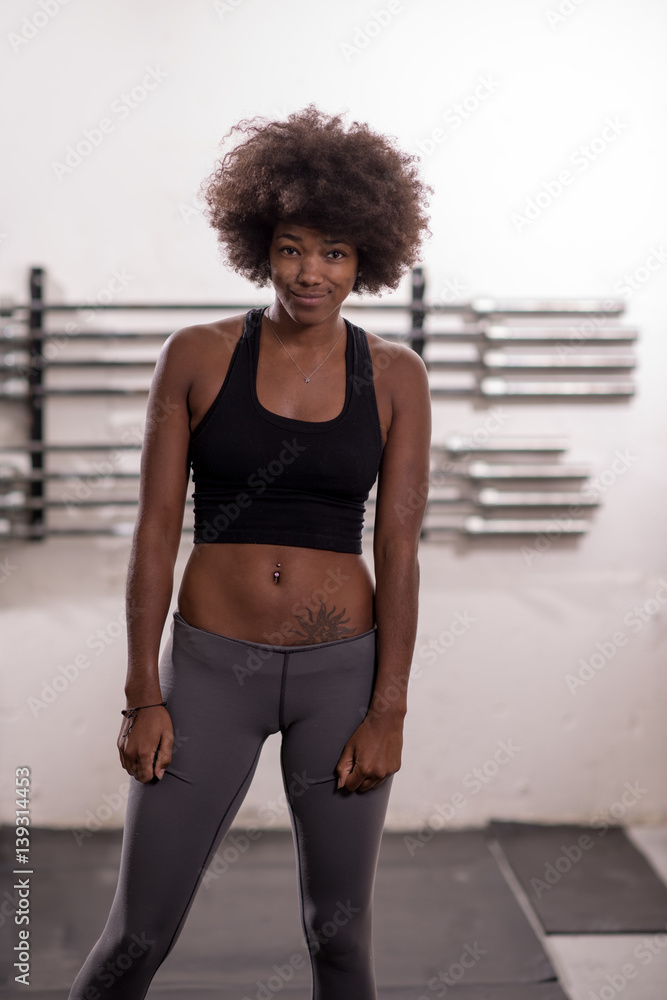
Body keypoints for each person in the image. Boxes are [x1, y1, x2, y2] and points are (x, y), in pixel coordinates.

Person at [68, 105, 432, 1000]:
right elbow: (155, 528)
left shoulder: (395, 376)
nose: (311, 273)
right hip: (207, 671)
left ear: (367, 263)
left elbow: (400, 547)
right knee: (135, 936)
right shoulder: (195, 355)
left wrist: (388, 711)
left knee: (338, 940)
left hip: (341, 676)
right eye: (293, 247)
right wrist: (140, 693)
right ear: (260, 246)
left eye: (336, 253)